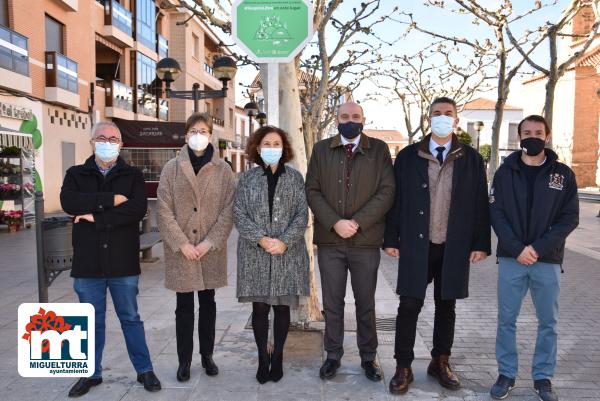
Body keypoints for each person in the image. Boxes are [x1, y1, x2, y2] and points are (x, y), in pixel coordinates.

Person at [383, 97, 491, 395]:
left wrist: (481, 242)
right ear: (429, 118)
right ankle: (403, 365)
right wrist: (391, 238)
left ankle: (440, 361)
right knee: (409, 305)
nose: (442, 117)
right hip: (418, 244)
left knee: (447, 306)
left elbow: (480, 203)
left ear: (456, 119)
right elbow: (396, 201)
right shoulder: (408, 156)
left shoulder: (471, 158)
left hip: (453, 245)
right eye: (437, 113)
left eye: (448, 113)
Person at [60, 121, 161, 397]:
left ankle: (145, 370)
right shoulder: (76, 174)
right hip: (87, 263)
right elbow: (69, 202)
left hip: (122, 263)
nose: (107, 142)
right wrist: (111, 199)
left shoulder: (133, 175)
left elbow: (136, 209)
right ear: (92, 142)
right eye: (101, 137)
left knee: (130, 317)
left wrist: (94, 215)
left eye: (113, 138)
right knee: (91, 321)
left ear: (121, 144)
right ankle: (90, 374)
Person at [489, 115, 579, 401]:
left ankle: (542, 377)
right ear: (519, 136)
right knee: (506, 320)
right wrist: (517, 248)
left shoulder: (562, 174)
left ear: (547, 136)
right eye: (526, 132)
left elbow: (569, 218)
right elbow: (496, 214)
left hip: (547, 260)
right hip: (511, 259)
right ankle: (506, 374)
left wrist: (538, 248)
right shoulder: (505, 172)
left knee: (548, 322)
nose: (532, 137)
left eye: (538, 132)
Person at [306, 101, 395, 382]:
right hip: (330, 241)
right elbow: (312, 189)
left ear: (363, 120)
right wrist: (335, 222)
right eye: (345, 116)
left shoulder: (378, 149)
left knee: (365, 302)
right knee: (333, 303)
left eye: (355, 116)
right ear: (336, 120)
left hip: (365, 241)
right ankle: (333, 356)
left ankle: (369, 357)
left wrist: (356, 222)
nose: (350, 121)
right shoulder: (321, 149)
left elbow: (387, 190)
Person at [156, 113, 236, 383]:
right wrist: (181, 244)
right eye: (193, 130)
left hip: (209, 249)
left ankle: (207, 356)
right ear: (186, 134)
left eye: (203, 130)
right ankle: (184, 361)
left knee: (208, 303)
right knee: (183, 307)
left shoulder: (224, 170)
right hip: (182, 251)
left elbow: (229, 210)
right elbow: (163, 209)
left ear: (211, 134)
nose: (197, 135)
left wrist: (209, 242)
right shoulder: (171, 168)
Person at [234, 126, 309, 384]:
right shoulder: (246, 179)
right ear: (257, 147)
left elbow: (302, 215)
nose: (272, 148)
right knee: (260, 308)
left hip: (287, 254)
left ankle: (277, 357)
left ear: (284, 148)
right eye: (267, 143)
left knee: (281, 307)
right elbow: (239, 214)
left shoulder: (295, 178)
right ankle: (262, 359)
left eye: (277, 143)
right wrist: (262, 239)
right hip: (255, 254)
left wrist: (284, 242)